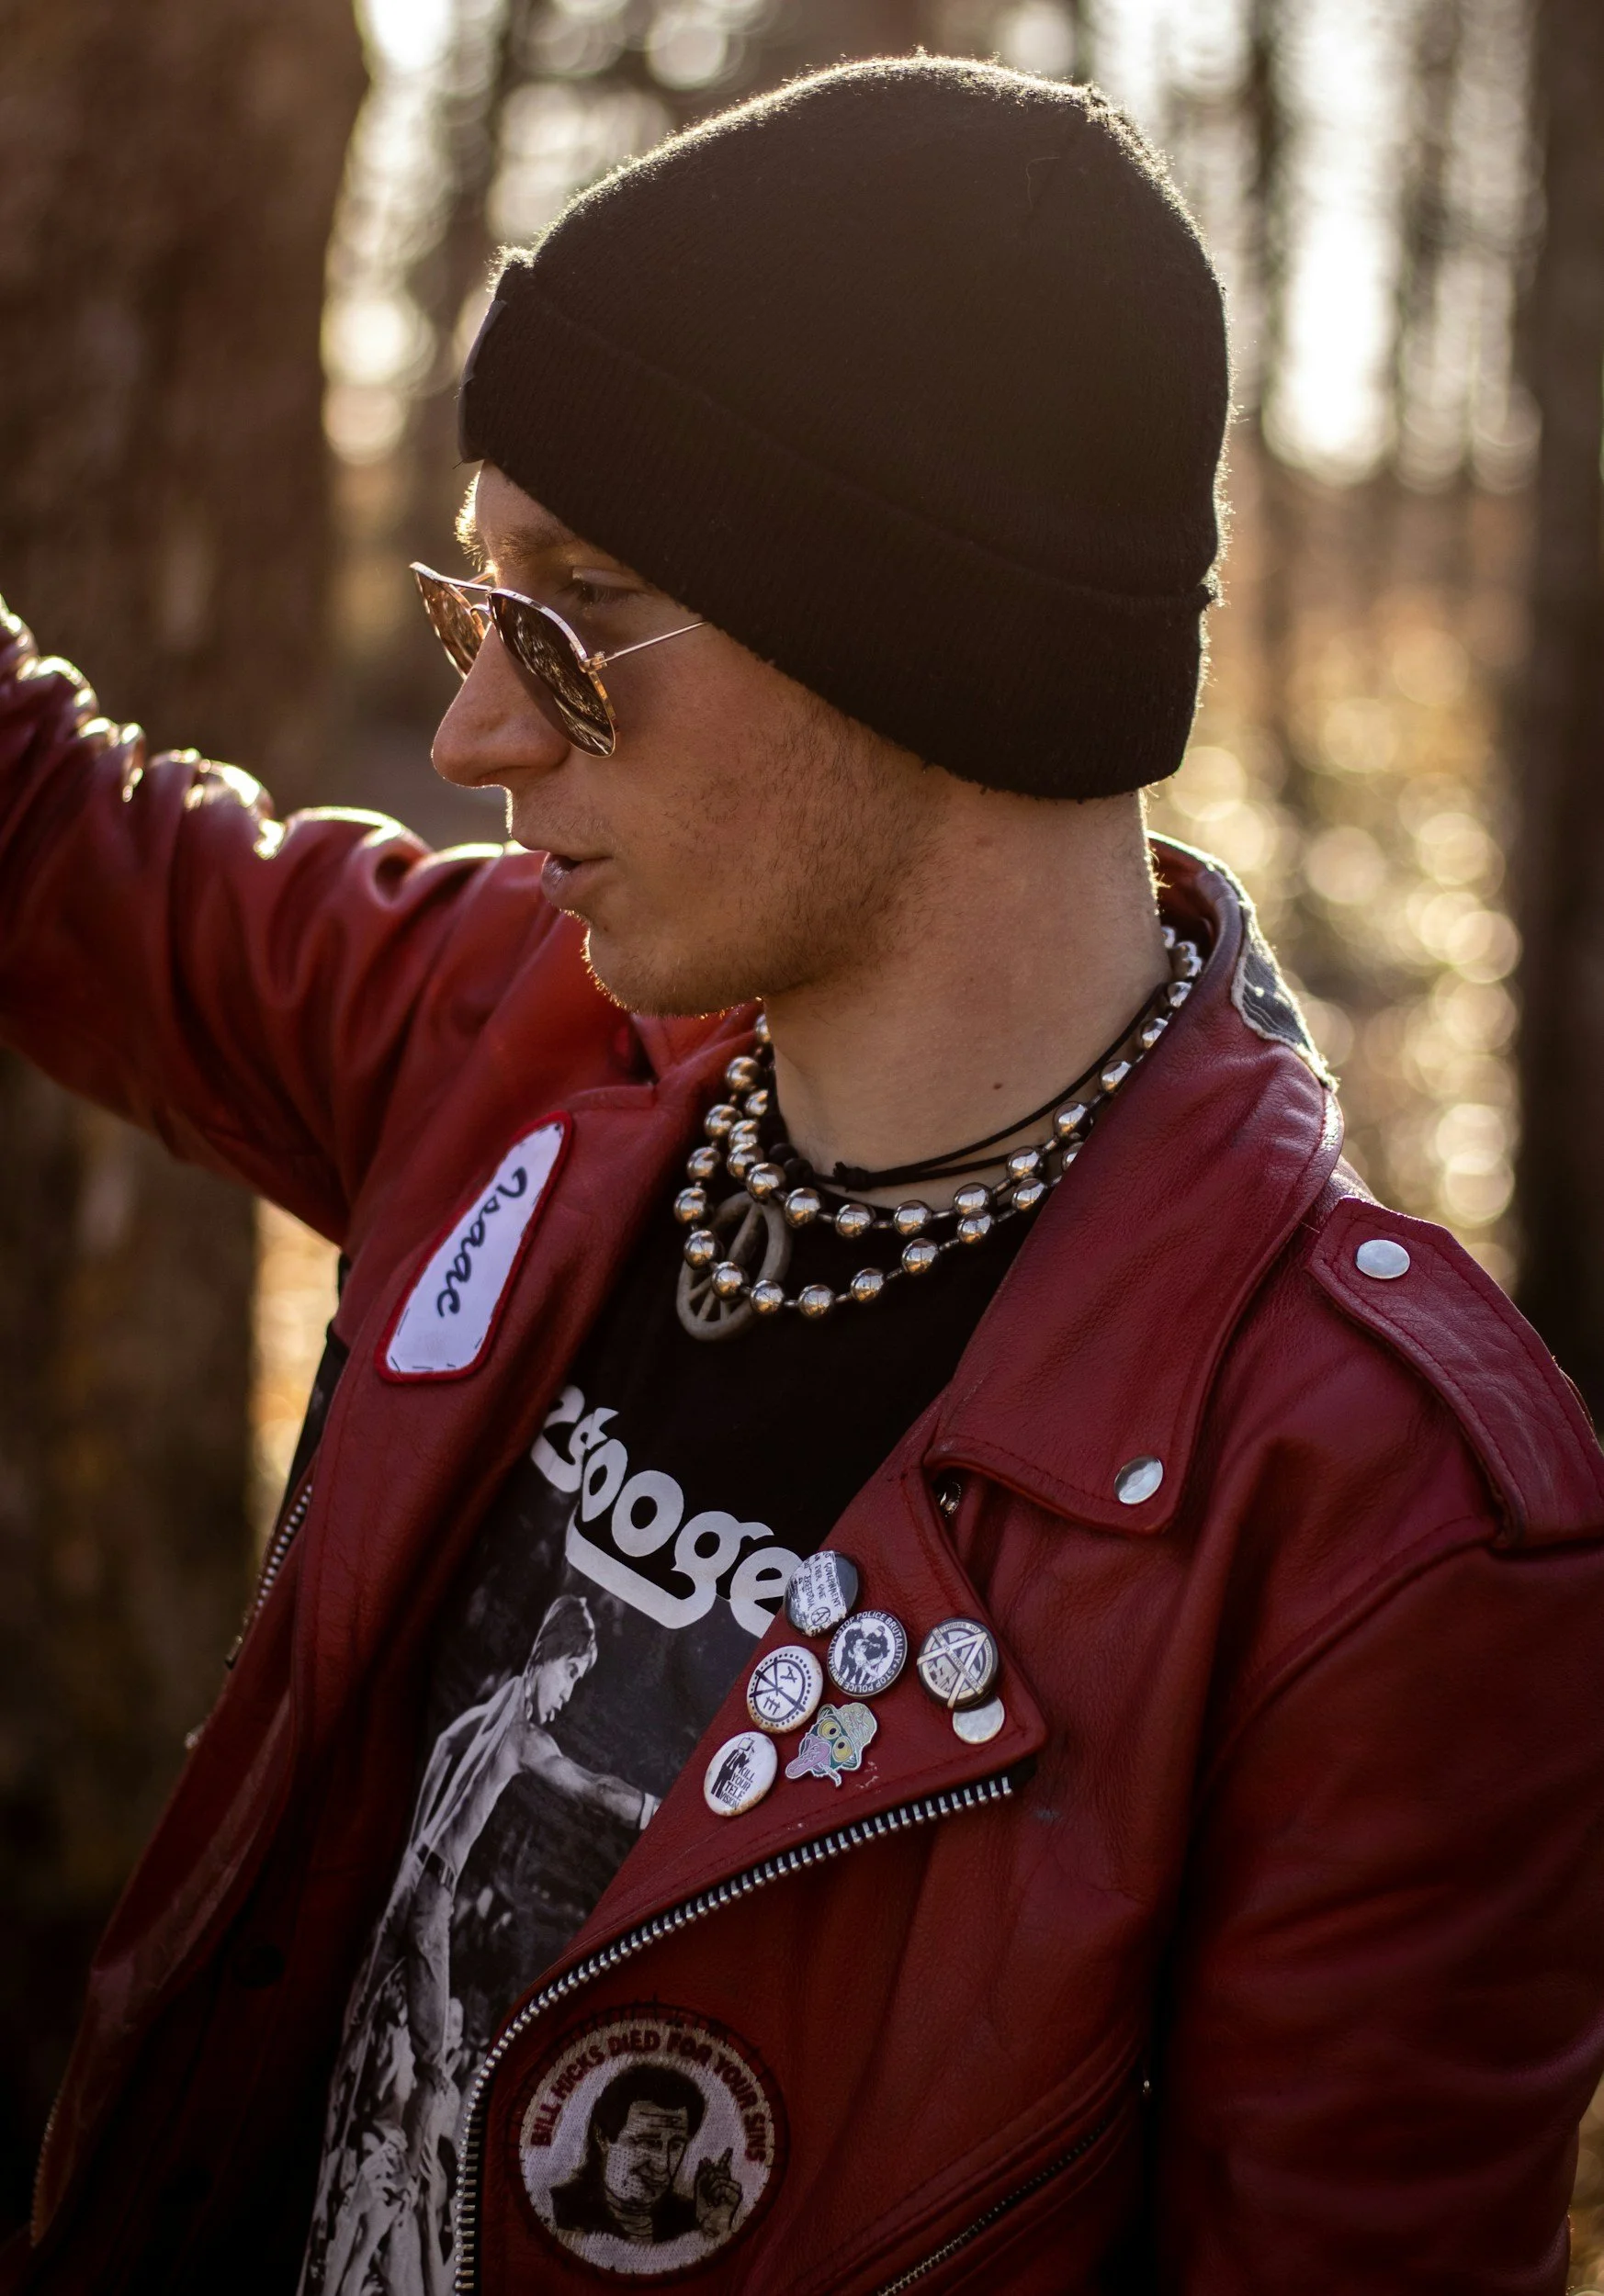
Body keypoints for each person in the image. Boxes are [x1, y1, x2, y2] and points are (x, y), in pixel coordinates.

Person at [3, 50, 1604, 2296]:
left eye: (571, 616)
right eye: (477, 617)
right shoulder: (527, 1045)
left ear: (919, 629)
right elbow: (52, 841)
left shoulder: (1377, 1516)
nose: (473, 734)